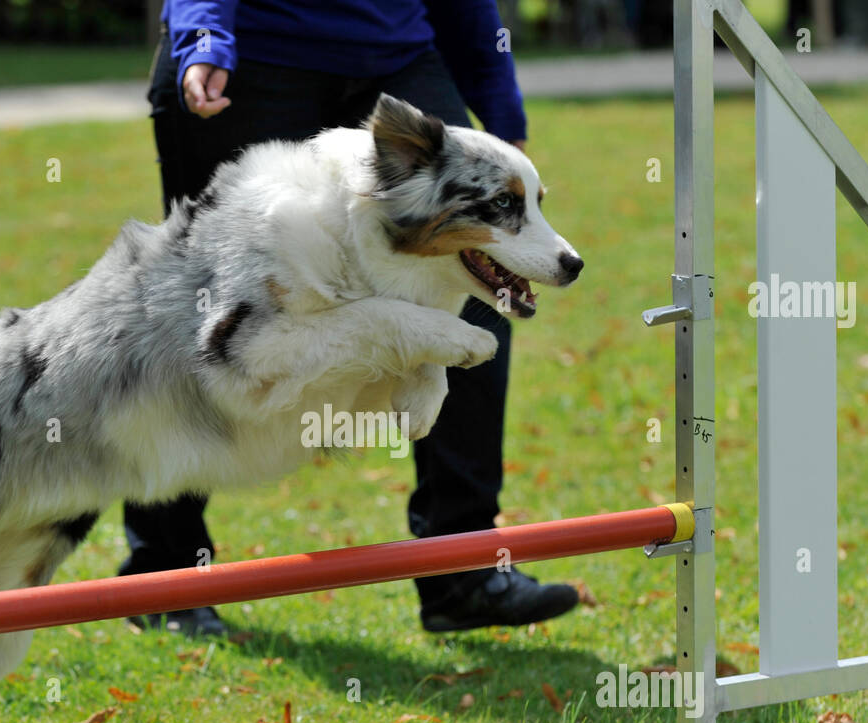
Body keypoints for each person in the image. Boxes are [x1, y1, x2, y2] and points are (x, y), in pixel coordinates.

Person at [120, 0, 582, 634]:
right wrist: (205, 35)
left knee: (481, 275)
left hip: (394, 56)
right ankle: (165, 575)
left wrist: (498, 103)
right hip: (251, 53)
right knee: (204, 308)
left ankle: (464, 571)